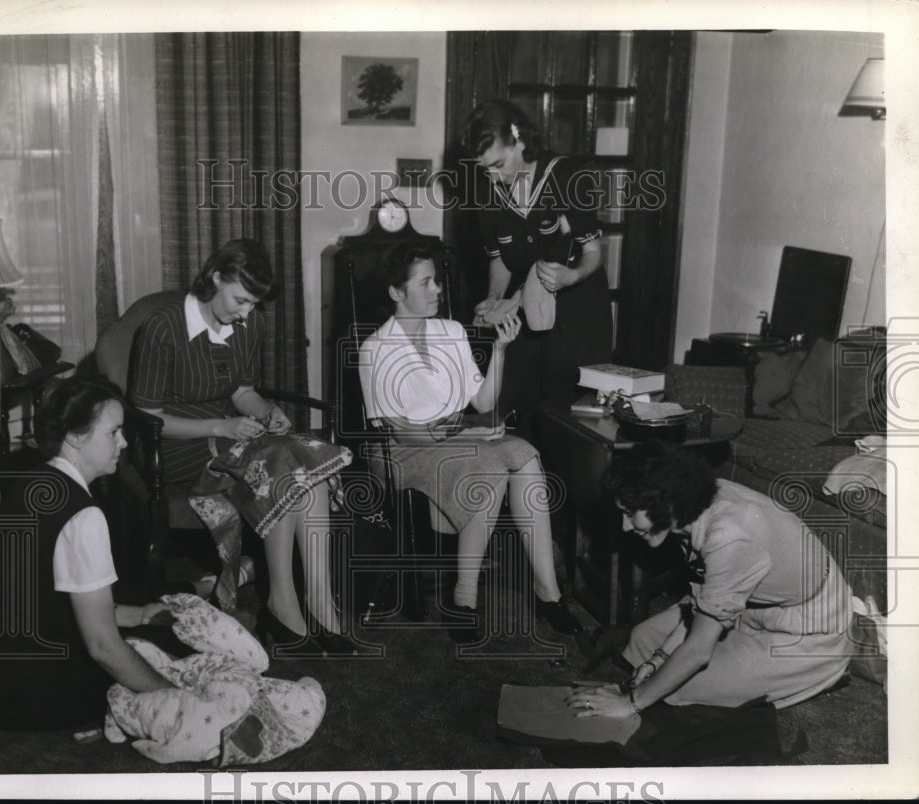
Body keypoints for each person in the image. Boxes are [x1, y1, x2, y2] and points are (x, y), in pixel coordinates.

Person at [129, 238, 354, 655]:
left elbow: (243, 392)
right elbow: (148, 416)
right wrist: (221, 425)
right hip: (174, 445)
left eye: (253, 304)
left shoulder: (249, 323)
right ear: (216, 277)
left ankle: (321, 608)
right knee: (282, 466)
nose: (246, 312)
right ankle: (283, 607)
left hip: (232, 433)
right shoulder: (163, 325)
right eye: (240, 300)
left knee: (306, 466)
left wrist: (268, 412)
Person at [357, 242, 584, 642]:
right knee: (489, 464)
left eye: (437, 281)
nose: (437, 290)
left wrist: (499, 350)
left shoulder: (451, 331)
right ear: (396, 292)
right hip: (403, 449)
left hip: (455, 436)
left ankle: (547, 592)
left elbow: (481, 402)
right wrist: (465, 432)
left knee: (525, 455)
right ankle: (464, 598)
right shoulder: (376, 349)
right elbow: (399, 431)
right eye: (425, 283)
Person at [0, 377, 175, 731]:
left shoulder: (35, 480)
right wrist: (172, 694)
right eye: (113, 433)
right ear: (75, 436)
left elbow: (38, 596)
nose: (124, 442)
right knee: (169, 661)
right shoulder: (84, 515)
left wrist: (137, 613)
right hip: (22, 694)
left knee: (150, 616)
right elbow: (101, 647)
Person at [565, 442, 854, 718]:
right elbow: (702, 593)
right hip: (752, 604)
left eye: (630, 514)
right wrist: (659, 658)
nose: (626, 526)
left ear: (665, 505)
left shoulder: (729, 537)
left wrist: (631, 702)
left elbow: (697, 652)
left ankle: (821, 672)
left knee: (682, 688)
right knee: (643, 641)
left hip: (806, 631)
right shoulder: (691, 505)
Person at [461, 99, 613, 427]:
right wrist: (494, 298)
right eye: (483, 167)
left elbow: (593, 255)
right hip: (525, 305)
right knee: (516, 405)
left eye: (498, 163)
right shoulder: (487, 192)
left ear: (519, 141)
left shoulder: (567, 176)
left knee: (571, 415)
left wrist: (570, 277)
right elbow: (500, 259)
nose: (491, 175)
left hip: (578, 308)